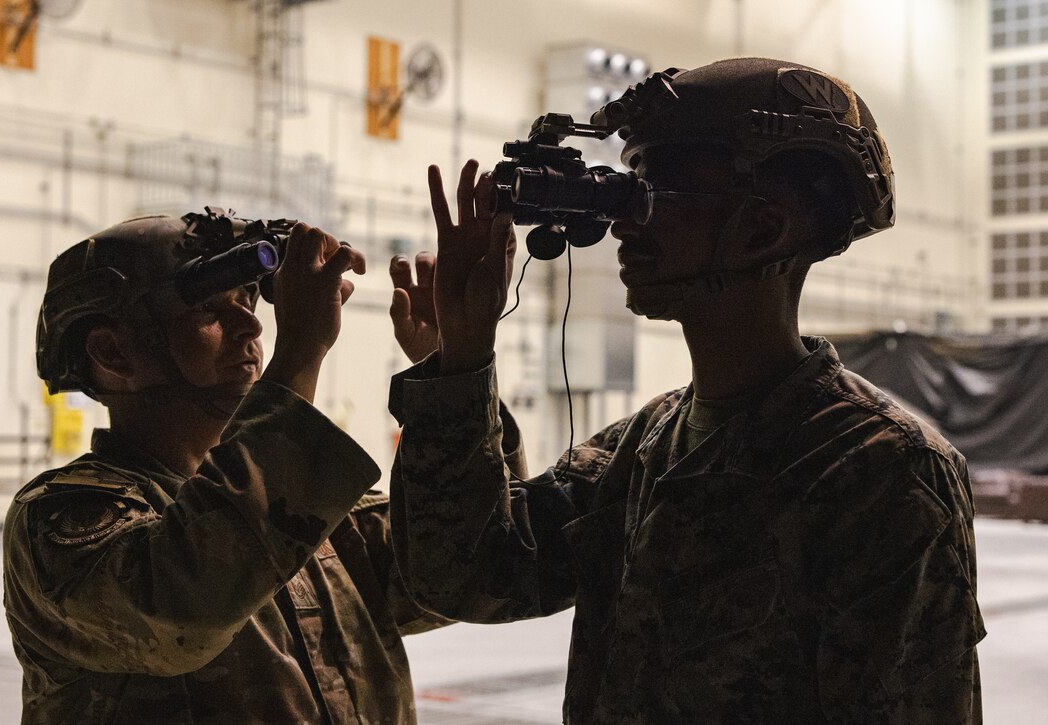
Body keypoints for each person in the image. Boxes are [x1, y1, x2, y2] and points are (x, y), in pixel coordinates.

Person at [386, 58, 986, 723]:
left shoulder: (882, 472)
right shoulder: (642, 449)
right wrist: (463, 360)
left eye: (656, 188)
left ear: (764, 229)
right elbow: (468, 575)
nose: (621, 221)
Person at [4, 209, 448, 725]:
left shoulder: (316, 514)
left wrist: (453, 366)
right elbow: (185, 609)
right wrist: (300, 355)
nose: (253, 325)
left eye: (247, 299)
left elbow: (462, 572)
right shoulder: (60, 524)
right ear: (113, 352)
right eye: (211, 308)